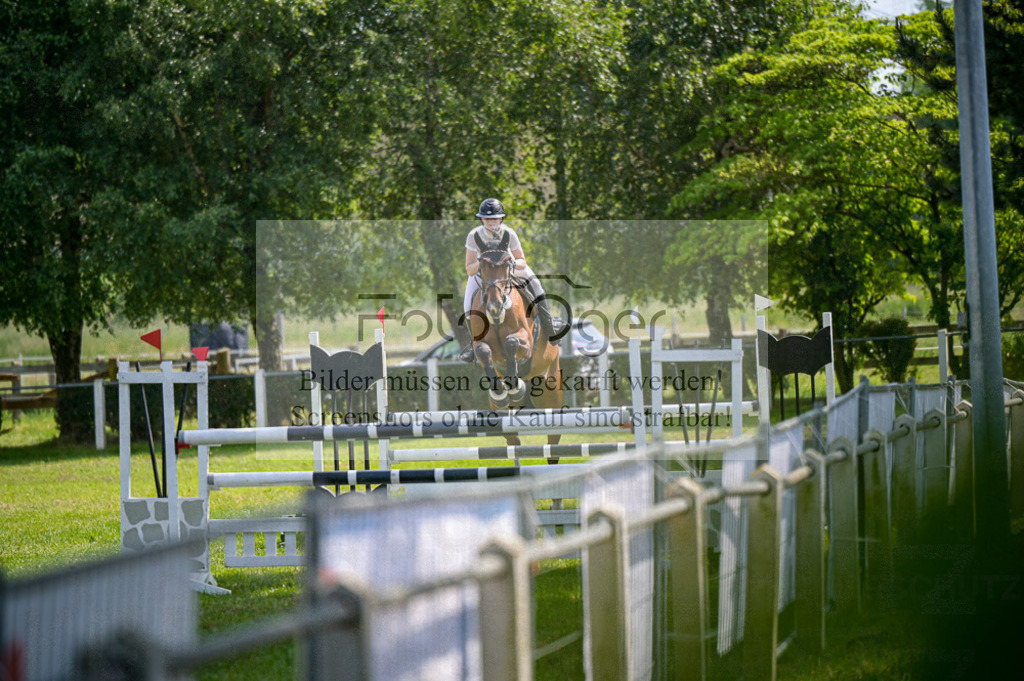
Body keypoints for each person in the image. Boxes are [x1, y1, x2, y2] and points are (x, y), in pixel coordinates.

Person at [459, 198, 568, 363]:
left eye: (495, 218)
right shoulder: (474, 236)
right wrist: (483, 263)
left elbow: (522, 261)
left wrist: (509, 263)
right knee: (468, 305)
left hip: (509, 268)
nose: (491, 222)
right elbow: (469, 267)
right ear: (482, 219)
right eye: (487, 218)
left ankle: (550, 327)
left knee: (536, 285)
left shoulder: (509, 234)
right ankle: (472, 346)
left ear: (501, 218)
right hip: (484, 274)